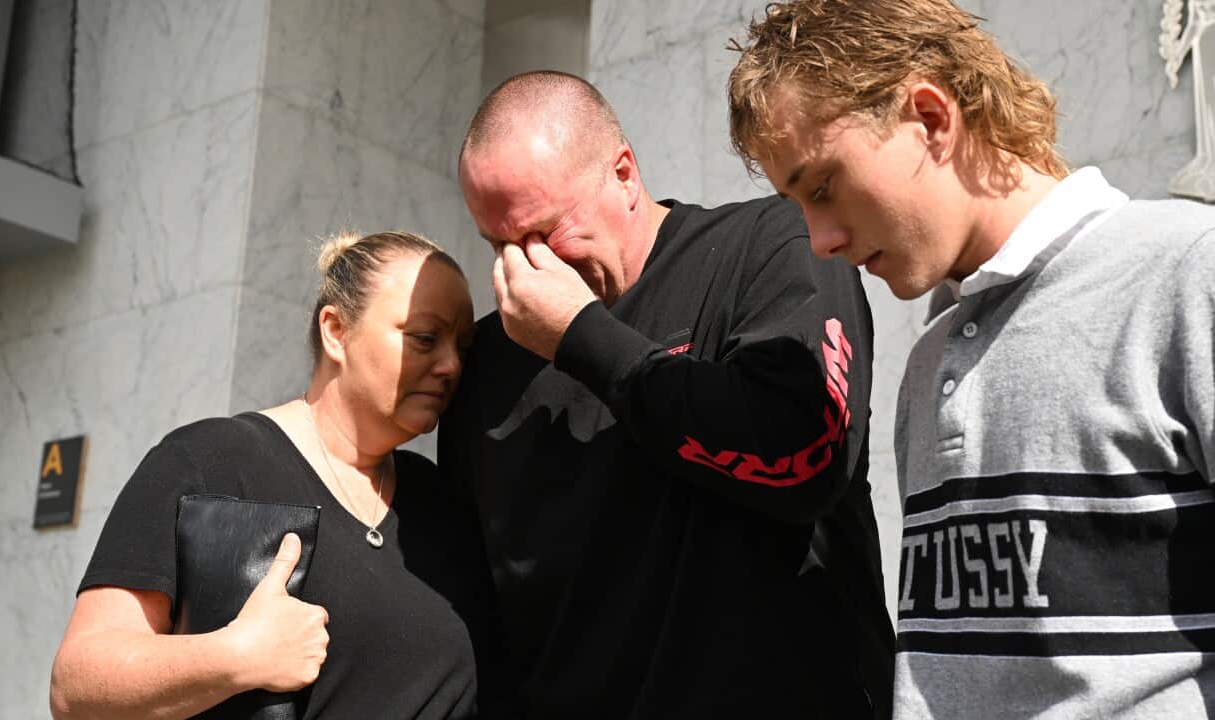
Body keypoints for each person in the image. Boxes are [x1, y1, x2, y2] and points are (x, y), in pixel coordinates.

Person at [727, 1, 1215, 717]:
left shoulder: (1187, 272)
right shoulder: (929, 363)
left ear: (930, 118)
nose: (819, 240)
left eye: (823, 187)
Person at [439, 70, 893, 718]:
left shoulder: (769, 246)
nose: (525, 270)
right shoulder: (487, 364)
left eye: (543, 234)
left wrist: (584, 339)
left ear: (623, 174)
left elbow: (807, 453)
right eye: (499, 244)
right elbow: (476, 609)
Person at [50, 231, 504, 719]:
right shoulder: (209, 462)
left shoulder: (444, 503)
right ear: (336, 331)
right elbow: (76, 687)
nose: (451, 365)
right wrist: (235, 656)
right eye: (424, 338)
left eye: (463, 346)